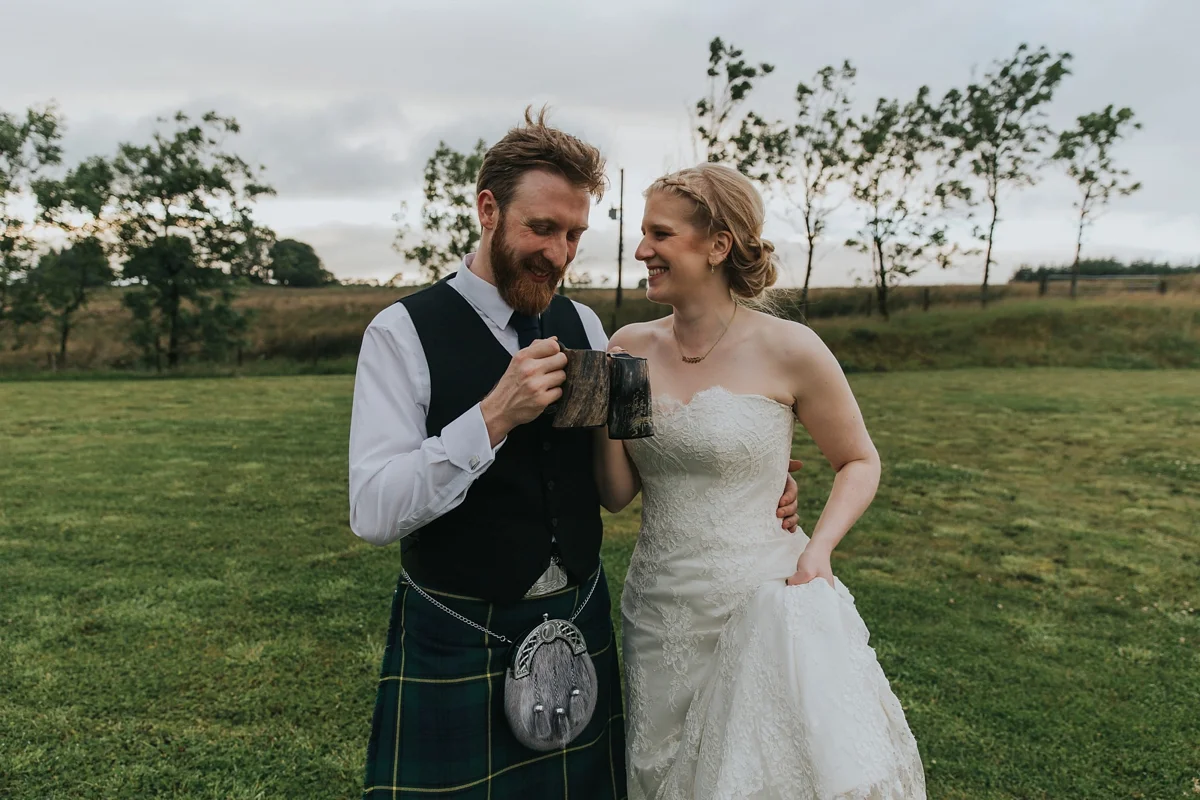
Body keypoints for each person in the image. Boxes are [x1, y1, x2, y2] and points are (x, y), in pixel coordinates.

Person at [347, 111, 803, 798]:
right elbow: (374, 512)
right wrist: (494, 416)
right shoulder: (400, 333)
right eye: (541, 228)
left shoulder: (586, 326)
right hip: (459, 629)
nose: (559, 254)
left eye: (574, 234)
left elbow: (622, 475)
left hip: (577, 616)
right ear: (488, 209)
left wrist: (747, 475)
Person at [595, 163, 926, 799]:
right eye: (643, 234)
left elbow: (859, 460)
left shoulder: (791, 348)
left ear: (717, 246)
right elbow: (616, 495)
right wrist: (597, 408)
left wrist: (818, 550)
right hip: (659, 609)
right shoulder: (628, 348)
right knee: (659, 771)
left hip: (761, 600)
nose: (641, 251)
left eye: (660, 235)